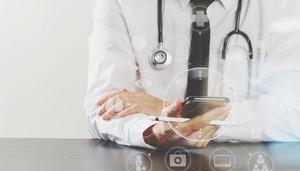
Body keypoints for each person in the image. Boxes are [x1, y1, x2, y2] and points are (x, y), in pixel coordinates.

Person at [85, 0, 300, 149]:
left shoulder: (283, 5)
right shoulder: (122, 3)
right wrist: (154, 130)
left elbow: (294, 112)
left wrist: (175, 113)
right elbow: (103, 106)